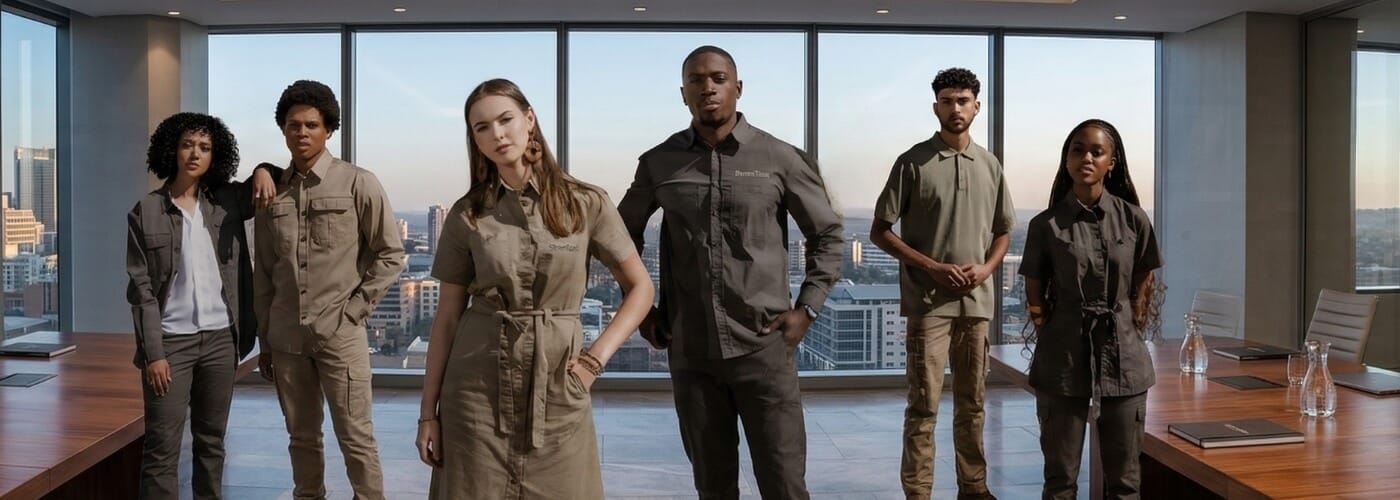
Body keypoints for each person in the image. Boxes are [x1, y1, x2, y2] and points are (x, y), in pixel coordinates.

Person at [618, 45, 844, 500]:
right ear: (684, 94)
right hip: (692, 350)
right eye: (697, 80)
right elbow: (619, 239)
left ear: (737, 88)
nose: (708, 88)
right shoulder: (659, 163)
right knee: (713, 485)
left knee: (783, 483)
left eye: (718, 78)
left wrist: (809, 309)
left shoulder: (781, 158)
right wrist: (642, 309)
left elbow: (829, 234)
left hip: (766, 347)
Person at [413, 78, 653, 499]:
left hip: (559, 383)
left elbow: (640, 288)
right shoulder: (467, 215)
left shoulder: (586, 202)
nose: (497, 134)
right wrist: (426, 415)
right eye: (482, 127)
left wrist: (593, 362)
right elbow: (447, 318)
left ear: (529, 119)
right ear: (474, 140)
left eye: (505, 120)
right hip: (475, 389)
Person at [253, 80, 405, 500]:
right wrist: (266, 341)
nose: (301, 133)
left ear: (328, 130)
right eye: (292, 125)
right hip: (286, 339)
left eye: (311, 125)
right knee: (301, 438)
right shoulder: (271, 192)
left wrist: (354, 311)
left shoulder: (358, 183)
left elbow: (391, 254)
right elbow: (263, 273)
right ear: (283, 130)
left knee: (356, 437)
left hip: (341, 335)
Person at [869, 67, 1013, 500]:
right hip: (928, 305)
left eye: (963, 100)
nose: (956, 108)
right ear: (936, 106)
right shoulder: (912, 162)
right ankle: (918, 493)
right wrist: (930, 267)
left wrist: (987, 269)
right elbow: (880, 231)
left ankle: (974, 487)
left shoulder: (990, 165)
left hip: (977, 305)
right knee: (923, 407)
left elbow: (1003, 230)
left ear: (976, 106)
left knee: (973, 405)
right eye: (948, 101)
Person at [125, 112, 279, 499]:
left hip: (220, 341)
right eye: (187, 145)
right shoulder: (147, 210)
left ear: (216, 155)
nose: (195, 154)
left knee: (212, 444)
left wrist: (261, 168)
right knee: (162, 449)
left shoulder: (227, 201)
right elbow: (141, 290)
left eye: (205, 147)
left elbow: (280, 174)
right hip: (170, 345)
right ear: (172, 150)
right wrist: (153, 353)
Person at [1019, 118, 1162, 500]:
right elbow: (1033, 284)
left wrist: (1133, 319)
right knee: (1060, 481)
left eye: (1097, 152)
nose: (1086, 158)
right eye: (1077, 150)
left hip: (1124, 355)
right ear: (1066, 160)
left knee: (1125, 483)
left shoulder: (1134, 219)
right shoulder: (1044, 225)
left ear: (1111, 162)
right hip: (1062, 354)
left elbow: (1145, 274)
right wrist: (1043, 321)